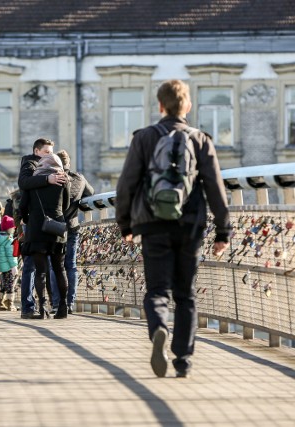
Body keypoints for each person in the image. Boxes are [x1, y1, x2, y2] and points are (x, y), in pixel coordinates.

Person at [115, 79, 231, 378]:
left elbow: (127, 182)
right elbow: (215, 187)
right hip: (190, 224)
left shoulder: (144, 138)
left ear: (160, 105)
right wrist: (223, 231)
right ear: (187, 106)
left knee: (156, 289)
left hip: (152, 223)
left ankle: (159, 329)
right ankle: (183, 360)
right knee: (186, 293)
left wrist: (126, 223)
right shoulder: (200, 139)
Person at [17, 138, 67, 319]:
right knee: (60, 268)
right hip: (57, 227)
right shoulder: (63, 179)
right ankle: (63, 307)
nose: (50, 155)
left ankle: (42, 308)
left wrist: (25, 218)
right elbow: (66, 204)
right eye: (47, 152)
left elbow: (23, 204)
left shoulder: (34, 178)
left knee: (40, 271)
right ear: (36, 151)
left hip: (37, 227)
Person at [49, 150, 95, 314]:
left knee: (55, 266)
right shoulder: (79, 178)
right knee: (71, 265)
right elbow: (91, 193)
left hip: (55, 228)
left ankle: (56, 302)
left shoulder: (53, 179)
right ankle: (70, 303)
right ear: (69, 163)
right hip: (73, 225)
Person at [0, 215, 19, 310]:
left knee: (3, 284)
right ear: (9, 228)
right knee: (10, 285)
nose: (14, 229)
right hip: (9, 266)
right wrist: (14, 267)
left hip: (1, 266)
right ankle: (10, 304)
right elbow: (10, 255)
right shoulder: (8, 240)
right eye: (13, 228)